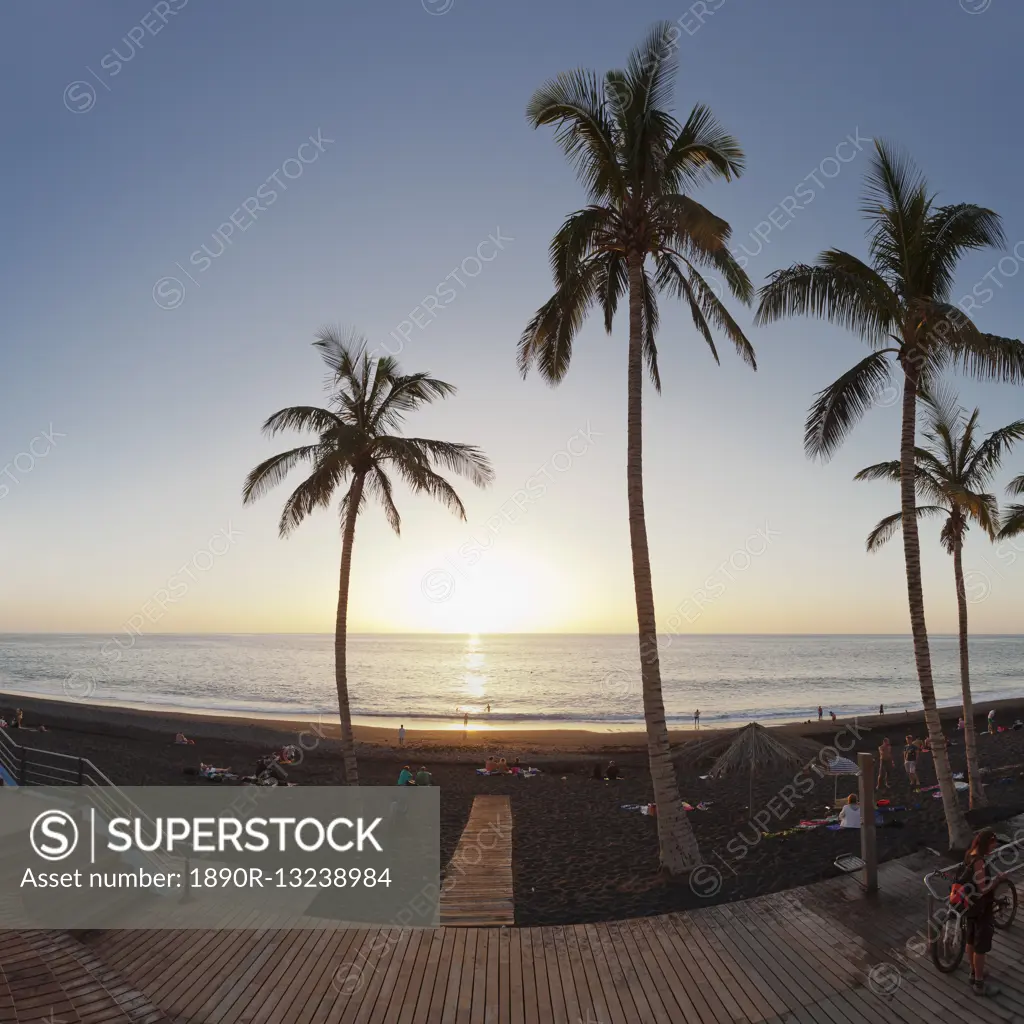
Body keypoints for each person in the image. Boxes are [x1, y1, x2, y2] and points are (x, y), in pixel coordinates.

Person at [955, 828, 1007, 996]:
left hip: (968, 906)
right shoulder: (979, 862)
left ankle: (973, 971)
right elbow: (983, 889)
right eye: (992, 845)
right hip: (980, 907)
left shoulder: (969, 854)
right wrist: (997, 880)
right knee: (981, 946)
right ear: (986, 844)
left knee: (970, 939)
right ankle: (979, 982)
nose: (993, 848)